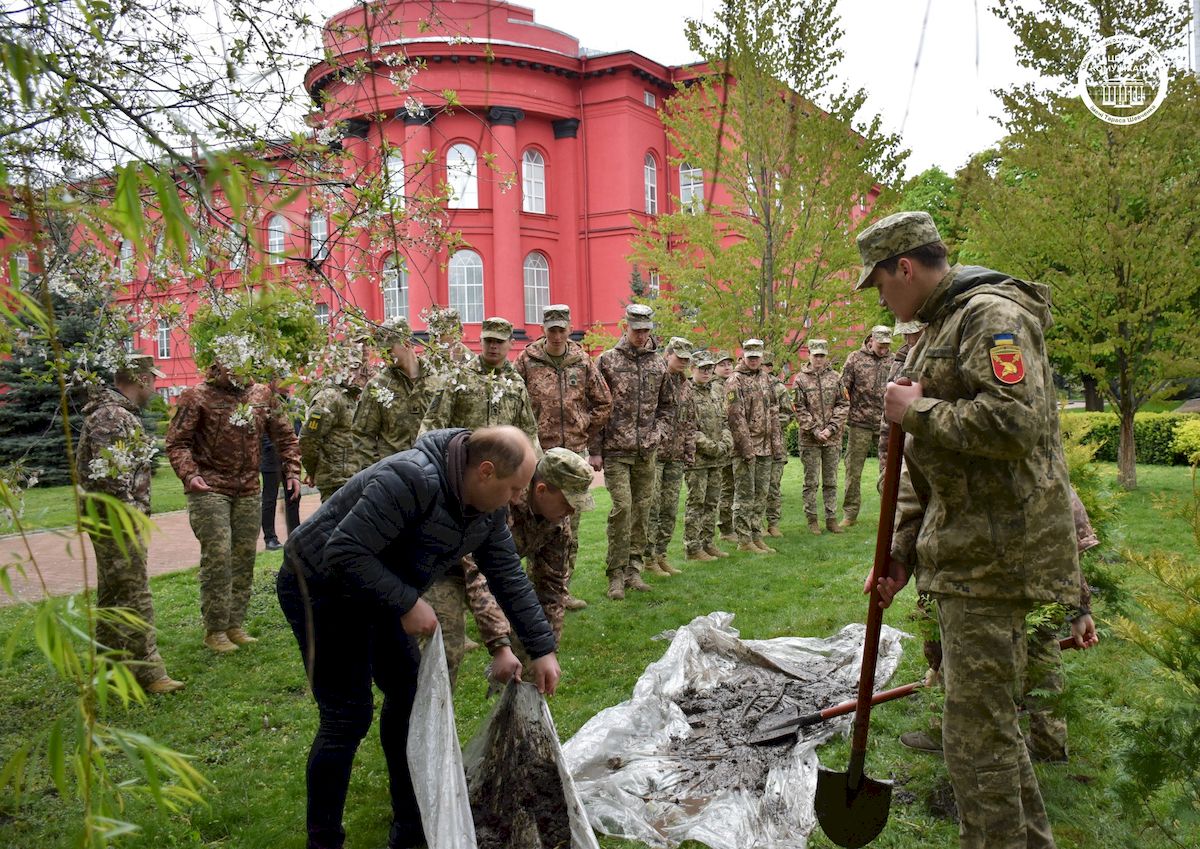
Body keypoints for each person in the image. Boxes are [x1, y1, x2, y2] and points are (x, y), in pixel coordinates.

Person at [860, 210, 1082, 849]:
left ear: (905, 266)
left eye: (879, 282)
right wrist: (902, 553)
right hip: (964, 553)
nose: (881, 298)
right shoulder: (939, 327)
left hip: (998, 556)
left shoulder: (991, 317)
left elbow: (1017, 426)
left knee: (978, 740)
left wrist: (919, 410)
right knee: (986, 733)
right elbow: (929, 470)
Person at [276, 425, 560, 849]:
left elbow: (507, 576)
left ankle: (409, 828)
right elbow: (344, 551)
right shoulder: (411, 478)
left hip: (379, 587)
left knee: (409, 699)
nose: (517, 499)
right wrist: (408, 603)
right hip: (319, 587)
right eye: (514, 488)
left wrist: (541, 648)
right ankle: (324, 840)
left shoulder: (487, 510)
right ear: (485, 471)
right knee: (347, 716)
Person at [418, 316, 541, 684]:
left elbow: (529, 432)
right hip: (458, 494)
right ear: (480, 340)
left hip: (497, 494)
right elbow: (430, 426)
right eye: (488, 340)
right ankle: (479, 633)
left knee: (494, 565)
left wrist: (528, 480)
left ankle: (497, 634)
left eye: (500, 341)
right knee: (462, 566)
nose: (493, 347)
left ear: (509, 345)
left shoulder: (515, 383)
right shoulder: (458, 379)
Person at [167, 361, 300, 653]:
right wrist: (191, 474)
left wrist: (291, 471)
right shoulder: (197, 396)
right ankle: (215, 629)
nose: (239, 370)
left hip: (248, 488)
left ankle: (234, 624)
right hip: (209, 488)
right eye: (233, 364)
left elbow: (285, 436)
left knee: (243, 556)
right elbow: (177, 442)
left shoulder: (261, 395)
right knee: (218, 554)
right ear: (219, 364)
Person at [76, 354, 183, 694]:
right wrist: (133, 513)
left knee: (112, 594)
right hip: (117, 522)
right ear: (139, 380)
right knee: (135, 593)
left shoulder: (116, 414)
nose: (155, 385)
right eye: (151, 379)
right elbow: (110, 476)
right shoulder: (112, 416)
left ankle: (108, 669)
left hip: (112, 519)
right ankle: (149, 672)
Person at [515, 304, 612, 609]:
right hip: (537, 455)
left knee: (569, 525)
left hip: (573, 455)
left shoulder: (582, 360)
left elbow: (603, 402)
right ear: (543, 330)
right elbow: (512, 400)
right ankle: (527, 591)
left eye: (561, 329)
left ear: (569, 329)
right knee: (531, 521)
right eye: (551, 329)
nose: (556, 335)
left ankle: (560, 589)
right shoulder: (526, 361)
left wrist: (583, 428)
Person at [468, 447, 597, 668]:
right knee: (444, 644)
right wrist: (500, 644)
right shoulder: (503, 501)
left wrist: (547, 650)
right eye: (568, 503)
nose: (572, 512)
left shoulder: (557, 524)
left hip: (497, 569)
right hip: (447, 565)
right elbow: (474, 571)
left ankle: (520, 698)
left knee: (533, 654)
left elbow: (551, 588)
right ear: (541, 490)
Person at [596, 304, 675, 600]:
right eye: (636, 329)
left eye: (646, 330)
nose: (641, 335)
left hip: (647, 452)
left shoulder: (658, 364)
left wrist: (659, 433)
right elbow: (597, 406)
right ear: (625, 327)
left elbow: (668, 406)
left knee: (642, 511)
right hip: (616, 450)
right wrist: (595, 450)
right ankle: (615, 574)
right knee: (622, 509)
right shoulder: (607, 361)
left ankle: (634, 569)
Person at [350, 318, 428, 473]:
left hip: (433, 474)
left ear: (406, 342)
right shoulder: (377, 387)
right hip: (394, 477)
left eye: (389, 348)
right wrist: (376, 473)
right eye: (382, 351)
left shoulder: (437, 380)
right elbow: (362, 435)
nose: (385, 355)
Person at [646, 337, 695, 576]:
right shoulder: (656, 379)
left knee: (669, 509)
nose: (684, 362)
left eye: (687, 359)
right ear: (668, 355)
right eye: (680, 358)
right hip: (656, 454)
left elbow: (689, 421)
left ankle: (661, 554)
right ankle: (648, 558)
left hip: (675, 455)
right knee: (652, 509)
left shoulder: (686, 384)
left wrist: (688, 450)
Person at [838, 324, 893, 528]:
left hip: (885, 422)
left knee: (888, 470)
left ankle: (888, 515)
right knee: (853, 470)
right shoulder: (855, 359)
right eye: (881, 345)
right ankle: (850, 514)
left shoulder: (894, 360)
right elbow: (843, 389)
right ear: (871, 340)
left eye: (887, 345)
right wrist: (846, 414)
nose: (884, 349)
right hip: (859, 422)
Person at [792, 339, 849, 535]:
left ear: (826, 357)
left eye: (822, 355)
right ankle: (812, 519)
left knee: (831, 481)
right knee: (811, 482)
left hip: (832, 439)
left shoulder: (836, 378)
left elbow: (843, 404)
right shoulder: (800, 379)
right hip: (810, 440)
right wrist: (815, 430)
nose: (818, 359)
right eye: (815, 355)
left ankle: (831, 519)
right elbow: (798, 408)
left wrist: (831, 429)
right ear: (809, 355)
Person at [301, 347, 370, 502]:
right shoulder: (329, 398)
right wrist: (313, 471)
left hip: (354, 477)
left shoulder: (352, 397)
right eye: (350, 368)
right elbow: (308, 439)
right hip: (336, 481)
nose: (356, 373)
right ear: (339, 369)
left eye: (358, 368)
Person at [726, 339, 776, 554]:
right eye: (750, 356)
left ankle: (757, 535)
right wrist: (746, 449)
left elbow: (773, 409)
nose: (754, 360)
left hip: (766, 447)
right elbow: (735, 417)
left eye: (757, 356)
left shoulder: (766, 378)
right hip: (746, 449)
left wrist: (776, 443)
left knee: (760, 495)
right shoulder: (735, 380)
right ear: (743, 356)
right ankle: (744, 540)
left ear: (762, 356)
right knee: (745, 495)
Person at [683, 351, 733, 561]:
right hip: (698, 460)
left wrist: (726, 442)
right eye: (702, 368)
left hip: (717, 458)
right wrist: (711, 446)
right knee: (696, 502)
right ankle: (692, 548)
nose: (706, 372)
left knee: (712, 502)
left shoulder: (716, 391)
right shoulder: (686, 392)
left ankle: (708, 543)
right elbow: (687, 427)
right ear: (692, 368)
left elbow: (724, 420)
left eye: (709, 368)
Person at [876, 319, 926, 493]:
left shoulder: (936, 359)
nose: (908, 339)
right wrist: (885, 463)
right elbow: (888, 416)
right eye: (905, 334)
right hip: (902, 449)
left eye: (913, 333)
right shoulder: (900, 361)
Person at [260, 379, 302, 550]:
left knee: (294, 495)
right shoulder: (267, 403)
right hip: (271, 458)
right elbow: (263, 432)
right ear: (273, 382)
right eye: (283, 380)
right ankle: (270, 537)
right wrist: (278, 448)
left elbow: (297, 428)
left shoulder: (293, 404)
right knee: (270, 498)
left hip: (291, 458)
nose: (287, 384)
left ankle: (296, 534)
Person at [763, 355, 796, 538]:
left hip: (776, 445)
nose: (764, 369)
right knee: (756, 487)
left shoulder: (779, 388)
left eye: (766, 365)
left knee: (773, 486)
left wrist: (769, 423)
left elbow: (788, 414)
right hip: (756, 446)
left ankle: (773, 523)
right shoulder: (749, 385)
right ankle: (756, 524)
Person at [713, 351, 737, 542]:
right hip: (722, 445)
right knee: (726, 488)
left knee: (740, 487)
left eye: (729, 363)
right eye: (722, 364)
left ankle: (738, 525)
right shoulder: (713, 387)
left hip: (739, 443)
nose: (727, 367)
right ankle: (726, 528)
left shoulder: (735, 384)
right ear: (715, 368)